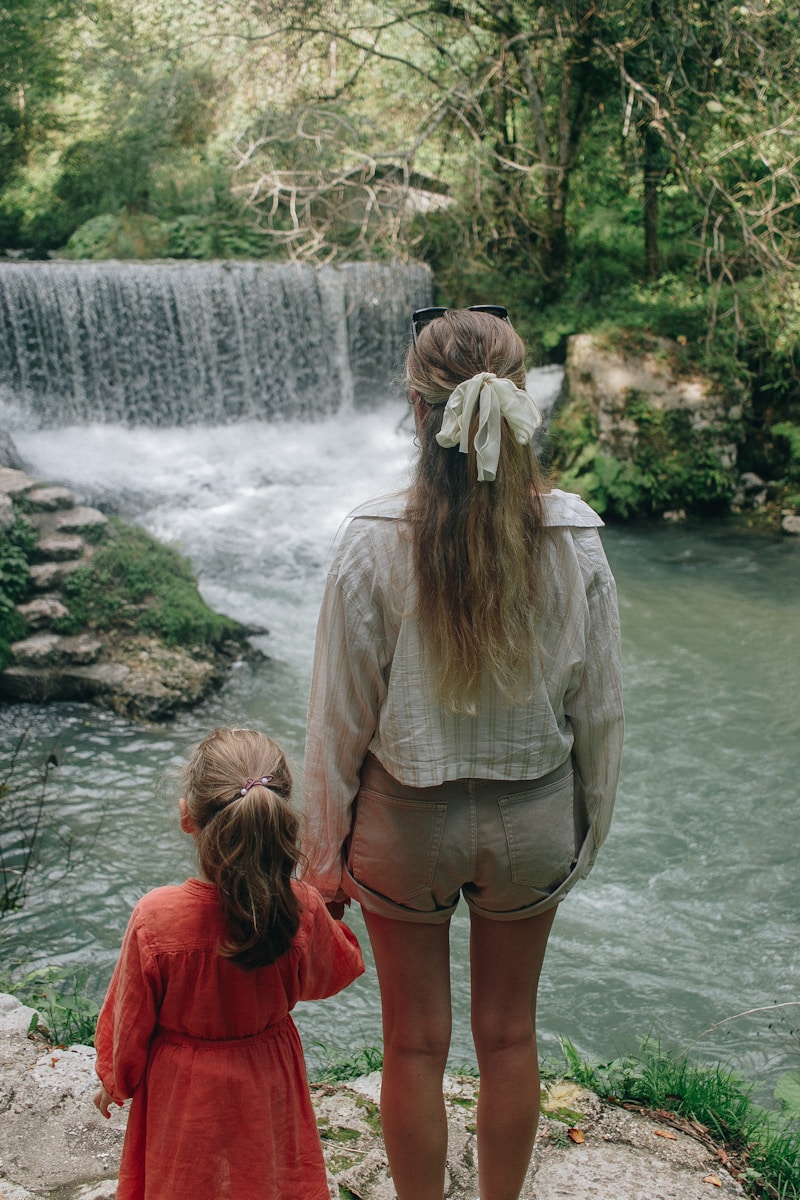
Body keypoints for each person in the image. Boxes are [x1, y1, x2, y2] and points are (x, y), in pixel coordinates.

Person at [301, 305, 624, 1200]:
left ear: (417, 410)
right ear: (524, 405)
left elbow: (337, 722)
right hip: (531, 821)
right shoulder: (574, 538)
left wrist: (321, 860)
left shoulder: (371, 541)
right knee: (510, 1039)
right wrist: (585, 832)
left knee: (412, 1044)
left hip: (404, 826)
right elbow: (600, 713)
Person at [93, 726, 364, 1200]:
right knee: (267, 1178)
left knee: (184, 1182)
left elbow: (128, 1021)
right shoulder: (298, 905)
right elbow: (332, 972)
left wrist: (115, 1083)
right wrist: (325, 910)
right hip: (268, 1077)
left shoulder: (155, 918)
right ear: (279, 817)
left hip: (183, 1090)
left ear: (188, 818)